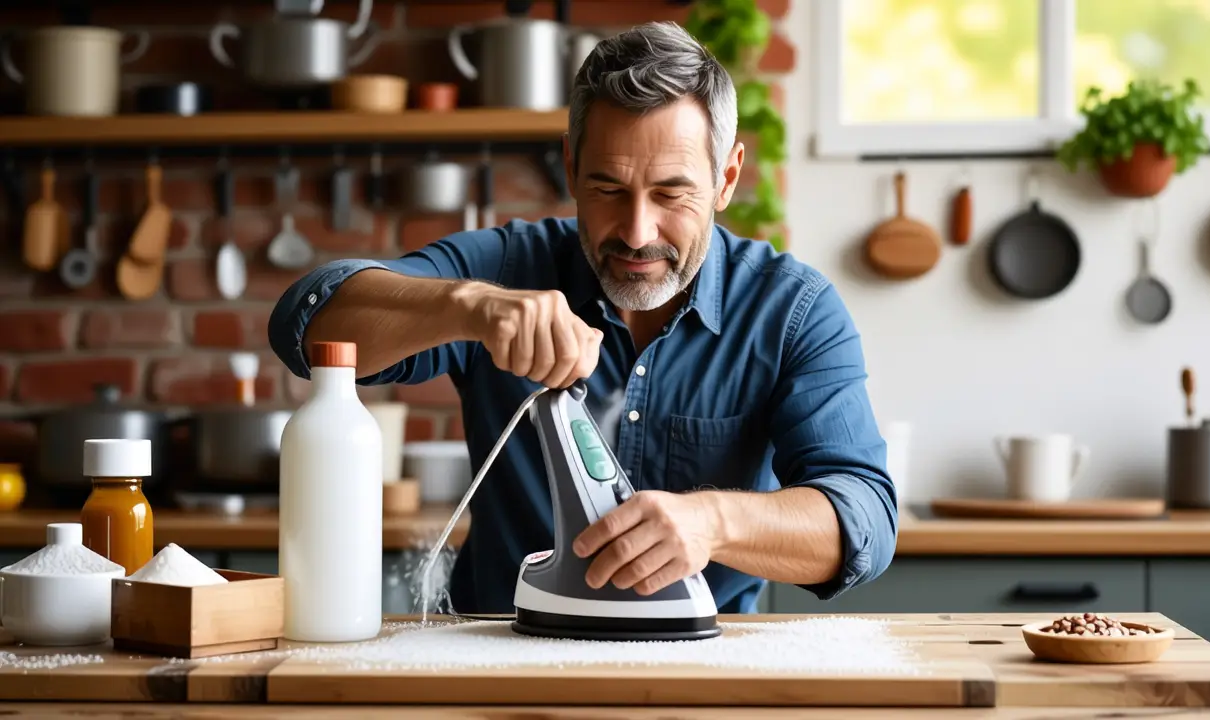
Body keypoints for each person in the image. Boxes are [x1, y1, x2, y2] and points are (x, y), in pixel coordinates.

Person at [268, 20, 897, 615]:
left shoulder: (791, 311)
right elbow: (307, 323)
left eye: (672, 194)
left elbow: (864, 518)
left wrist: (714, 523)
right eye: (608, 189)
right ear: (570, 167)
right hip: (495, 655)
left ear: (726, 178)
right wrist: (469, 307)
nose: (637, 230)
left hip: (706, 663)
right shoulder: (506, 267)